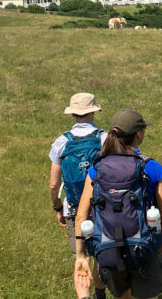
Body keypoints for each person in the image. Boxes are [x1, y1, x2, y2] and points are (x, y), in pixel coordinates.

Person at [74, 108, 162, 299]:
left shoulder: (97, 168)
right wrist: (161, 242)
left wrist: (81, 255)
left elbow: (81, 216)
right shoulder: (152, 167)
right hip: (146, 246)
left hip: (109, 249)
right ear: (138, 134)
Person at [48, 93, 108, 299]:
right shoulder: (104, 138)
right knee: (102, 253)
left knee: (80, 257)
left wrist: (58, 207)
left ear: (73, 114)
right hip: (102, 208)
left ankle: (84, 297)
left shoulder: (62, 142)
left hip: (73, 208)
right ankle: (101, 294)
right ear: (93, 112)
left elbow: (54, 183)